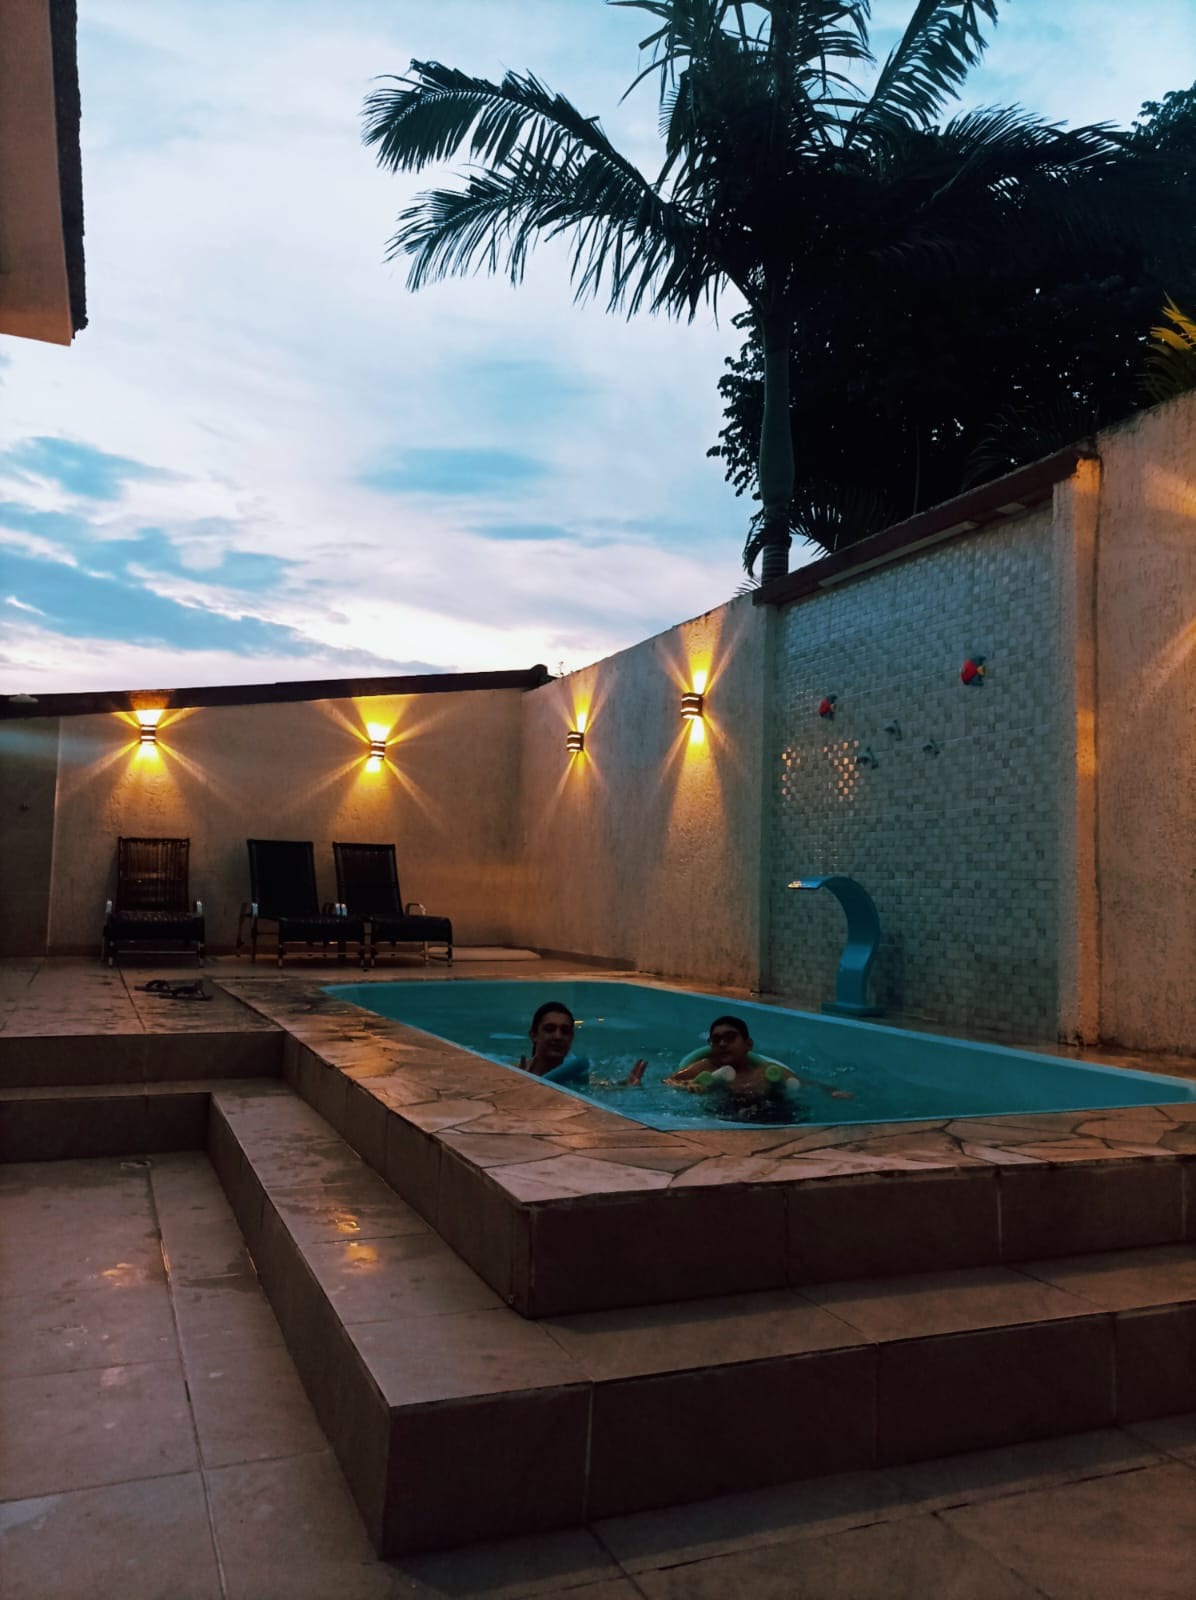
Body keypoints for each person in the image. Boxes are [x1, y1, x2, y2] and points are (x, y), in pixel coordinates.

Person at [663, 1015, 852, 1102]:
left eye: (730, 1037)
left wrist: (832, 1091)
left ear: (748, 1044)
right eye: (716, 1039)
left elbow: (806, 1084)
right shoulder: (704, 1068)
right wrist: (687, 1086)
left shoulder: (764, 1071)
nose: (722, 1044)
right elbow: (667, 1082)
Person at [517, 1000, 646, 1086]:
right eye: (549, 1029)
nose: (558, 1036)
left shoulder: (578, 1078)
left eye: (565, 1031)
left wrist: (627, 1084)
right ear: (534, 1035)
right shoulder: (516, 1072)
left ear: (571, 1037)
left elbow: (605, 1089)